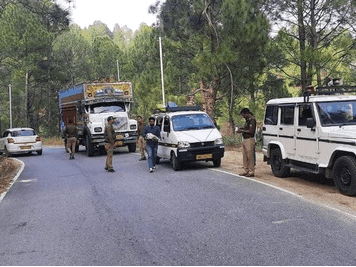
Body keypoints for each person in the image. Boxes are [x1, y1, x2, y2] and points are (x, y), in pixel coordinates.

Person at [236, 108, 256, 177]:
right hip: (245, 139)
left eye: (243, 115)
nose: (243, 117)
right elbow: (246, 129)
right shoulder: (247, 121)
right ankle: (246, 170)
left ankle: (251, 171)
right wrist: (242, 129)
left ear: (247, 113)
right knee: (245, 156)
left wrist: (242, 131)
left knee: (250, 156)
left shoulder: (252, 120)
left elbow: (251, 131)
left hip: (249, 140)